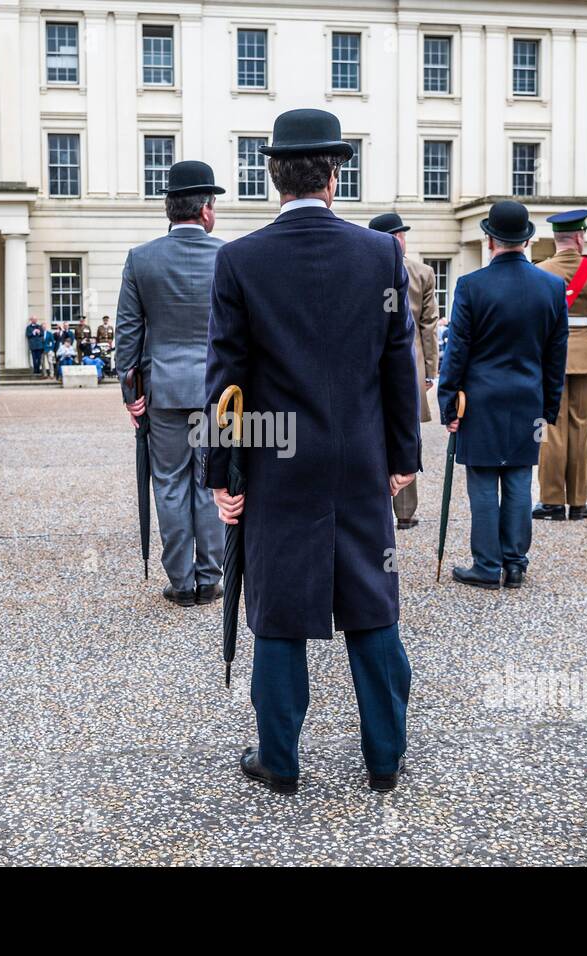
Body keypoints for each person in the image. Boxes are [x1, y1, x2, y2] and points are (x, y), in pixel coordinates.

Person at [203, 109, 421, 793]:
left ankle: (279, 758)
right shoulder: (380, 254)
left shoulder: (239, 260)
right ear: (334, 174)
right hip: (357, 456)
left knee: (279, 612)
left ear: (273, 176)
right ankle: (384, 757)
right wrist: (403, 457)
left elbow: (226, 378)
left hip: (277, 462)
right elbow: (398, 369)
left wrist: (221, 470)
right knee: (371, 606)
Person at [436, 200, 568, 590]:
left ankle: (487, 563)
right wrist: (550, 407)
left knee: (482, 482)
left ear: (490, 238)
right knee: (517, 481)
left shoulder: (472, 286)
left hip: (481, 399)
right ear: (526, 241)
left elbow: (456, 352)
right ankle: (515, 563)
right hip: (527, 397)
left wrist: (448, 404)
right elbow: (555, 355)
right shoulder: (552, 286)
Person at [117, 160, 227, 606]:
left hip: (162, 390)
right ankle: (209, 576)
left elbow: (129, 332)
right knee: (209, 480)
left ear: (170, 208)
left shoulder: (141, 259)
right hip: (215, 391)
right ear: (204, 210)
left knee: (168, 483)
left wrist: (131, 393)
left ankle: (180, 581)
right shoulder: (227, 255)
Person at [532, 209, 587, 521]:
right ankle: (578, 502)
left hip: (549, 359)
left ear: (557, 239)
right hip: (585, 358)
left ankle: (552, 501)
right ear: (580, 237)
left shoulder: (541, 271)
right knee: (580, 430)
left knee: (552, 429)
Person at [369, 212, 439, 531]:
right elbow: (428, 327)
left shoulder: (365, 269)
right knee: (406, 431)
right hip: (408, 362)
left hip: (371, 361)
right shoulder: (422, 272)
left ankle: (377, 502)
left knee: (372, 430)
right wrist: (429, 371)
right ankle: (406, 512)